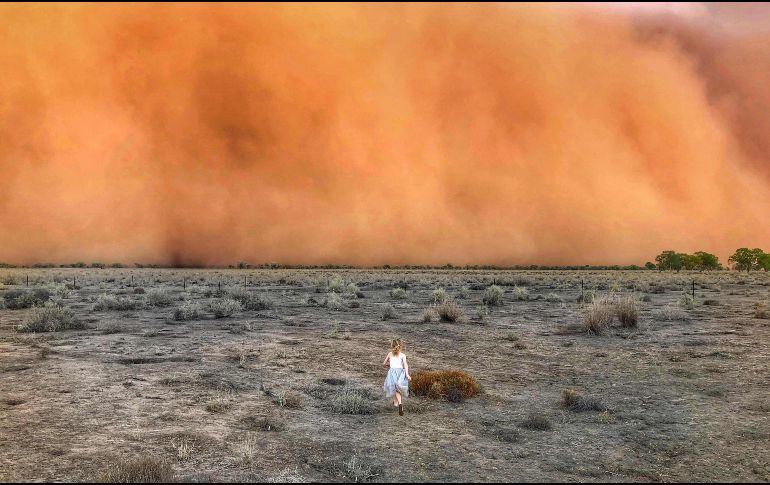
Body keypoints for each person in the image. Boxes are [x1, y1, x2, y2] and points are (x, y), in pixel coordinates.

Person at [383, 338, 411, 416]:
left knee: (395, 388)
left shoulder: (390, 354)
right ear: (400, 346)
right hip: (400, 373)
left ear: (392, 346)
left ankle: (399, 403)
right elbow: (405, 365)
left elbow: (384, 363)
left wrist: (390, 364)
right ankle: (396, 403)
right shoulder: (403, 355)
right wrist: (407, 374)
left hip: (392, 373)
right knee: (398, 388)